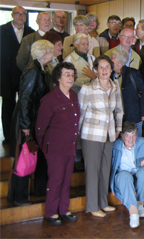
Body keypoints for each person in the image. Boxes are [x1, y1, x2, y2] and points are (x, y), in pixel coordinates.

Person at [8, 40, 54, 205]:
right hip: (27, 123)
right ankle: (19, 196)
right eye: (52, 50)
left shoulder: (39, 69)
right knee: (24, 158)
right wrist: (26, 127)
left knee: (31, 157)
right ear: (46, 53)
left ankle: (31, 193)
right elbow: (25, 100)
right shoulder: (33, 71)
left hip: (33, 121)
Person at [78, 55, 123, 217]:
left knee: (105, 169)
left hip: (110, 134)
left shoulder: (115, 86)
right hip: (91, 135)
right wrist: (76, 135)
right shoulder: (87, 89)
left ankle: (103, 202)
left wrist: (118, 128)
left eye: (107, 67)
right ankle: (92, 205)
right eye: (101, 67)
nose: (104, 70)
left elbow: (119, 110)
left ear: (111, 70)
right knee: (93, 170)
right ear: (95, 70)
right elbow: (80, 114)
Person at [35, 62, 80, 226]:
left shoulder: (73, 95)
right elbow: (40, 128)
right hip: (55, 148)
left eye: (72, 74)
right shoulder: (50, 99)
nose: (70, 77)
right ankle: (52, 211)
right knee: (56, 180)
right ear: (58, 77)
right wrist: (46, 146)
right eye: (67, 74)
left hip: (70, 146)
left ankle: (63, 209)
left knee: (67, 179)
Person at [110, 121, 144, 228]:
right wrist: (111, 185)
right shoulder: (115, 146)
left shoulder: (142, 142)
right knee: (124, 176)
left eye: (134, 135)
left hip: (138, 175)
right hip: (123, 176)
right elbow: (109, 167)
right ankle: (133, 212)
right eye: (128, 135)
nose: (131, 139)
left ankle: (140, 203)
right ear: (122, 135)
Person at [1, 6, 35, 143]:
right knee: (8, 105)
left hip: (24, 73)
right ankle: (8, 136)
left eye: (23, 14)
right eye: (18, 13)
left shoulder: (30, 32)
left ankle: (22, 133)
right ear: (12, 15)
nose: (20, 16)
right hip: (6, 73)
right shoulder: (2, 30)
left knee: (24, 105)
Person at [110, 49, 144, 137]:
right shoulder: (110, 75)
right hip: (117, 117)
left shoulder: (132, 73)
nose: (110, 60)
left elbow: (143, 92)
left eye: (112, 58)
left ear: (119, 60)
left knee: (135, 139)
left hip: (133, 115)